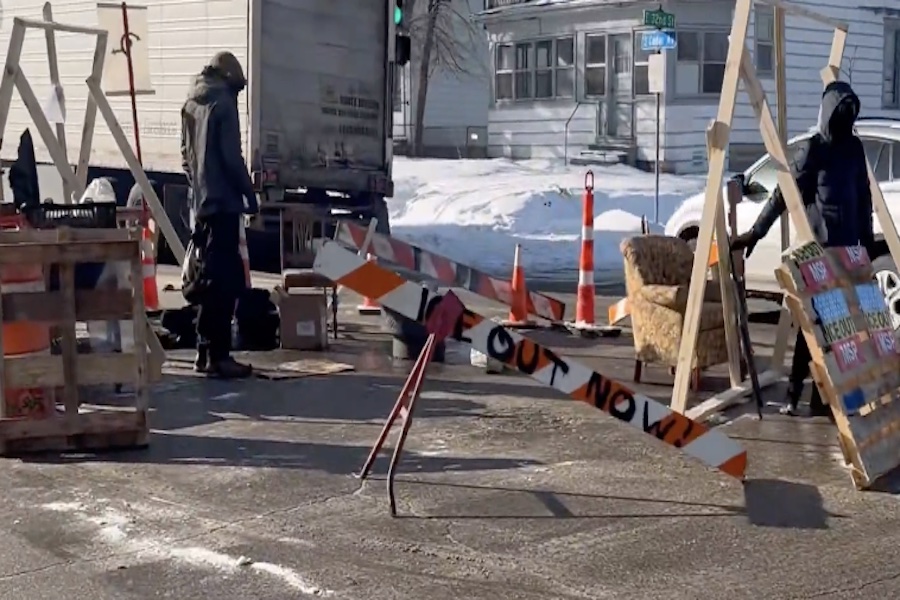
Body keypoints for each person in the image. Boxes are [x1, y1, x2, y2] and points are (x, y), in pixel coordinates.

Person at [731, 80, 874, 417]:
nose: (846, 120)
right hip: (819, 250)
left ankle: (819, 399)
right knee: (814, 325)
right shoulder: (813, 149)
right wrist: (755, 232)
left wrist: (865, 243)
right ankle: (797, 394)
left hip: (848, 252)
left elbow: (864, 197)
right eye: (841, 112)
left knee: (838, 329)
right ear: (828, 113)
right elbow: (784, 194)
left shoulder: (854, 149)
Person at [180, 51, 258, 378]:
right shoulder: (224, 103)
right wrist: (249, 195)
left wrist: (198, 191)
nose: (237, 95)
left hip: (200, 205)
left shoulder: (191, 103)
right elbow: (231, 156)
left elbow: (186, 157)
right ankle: (219, 356)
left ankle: (203, 352)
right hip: (224, 205)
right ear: (229, 79)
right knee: (225, 283)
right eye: (238, 88)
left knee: (207, 282)